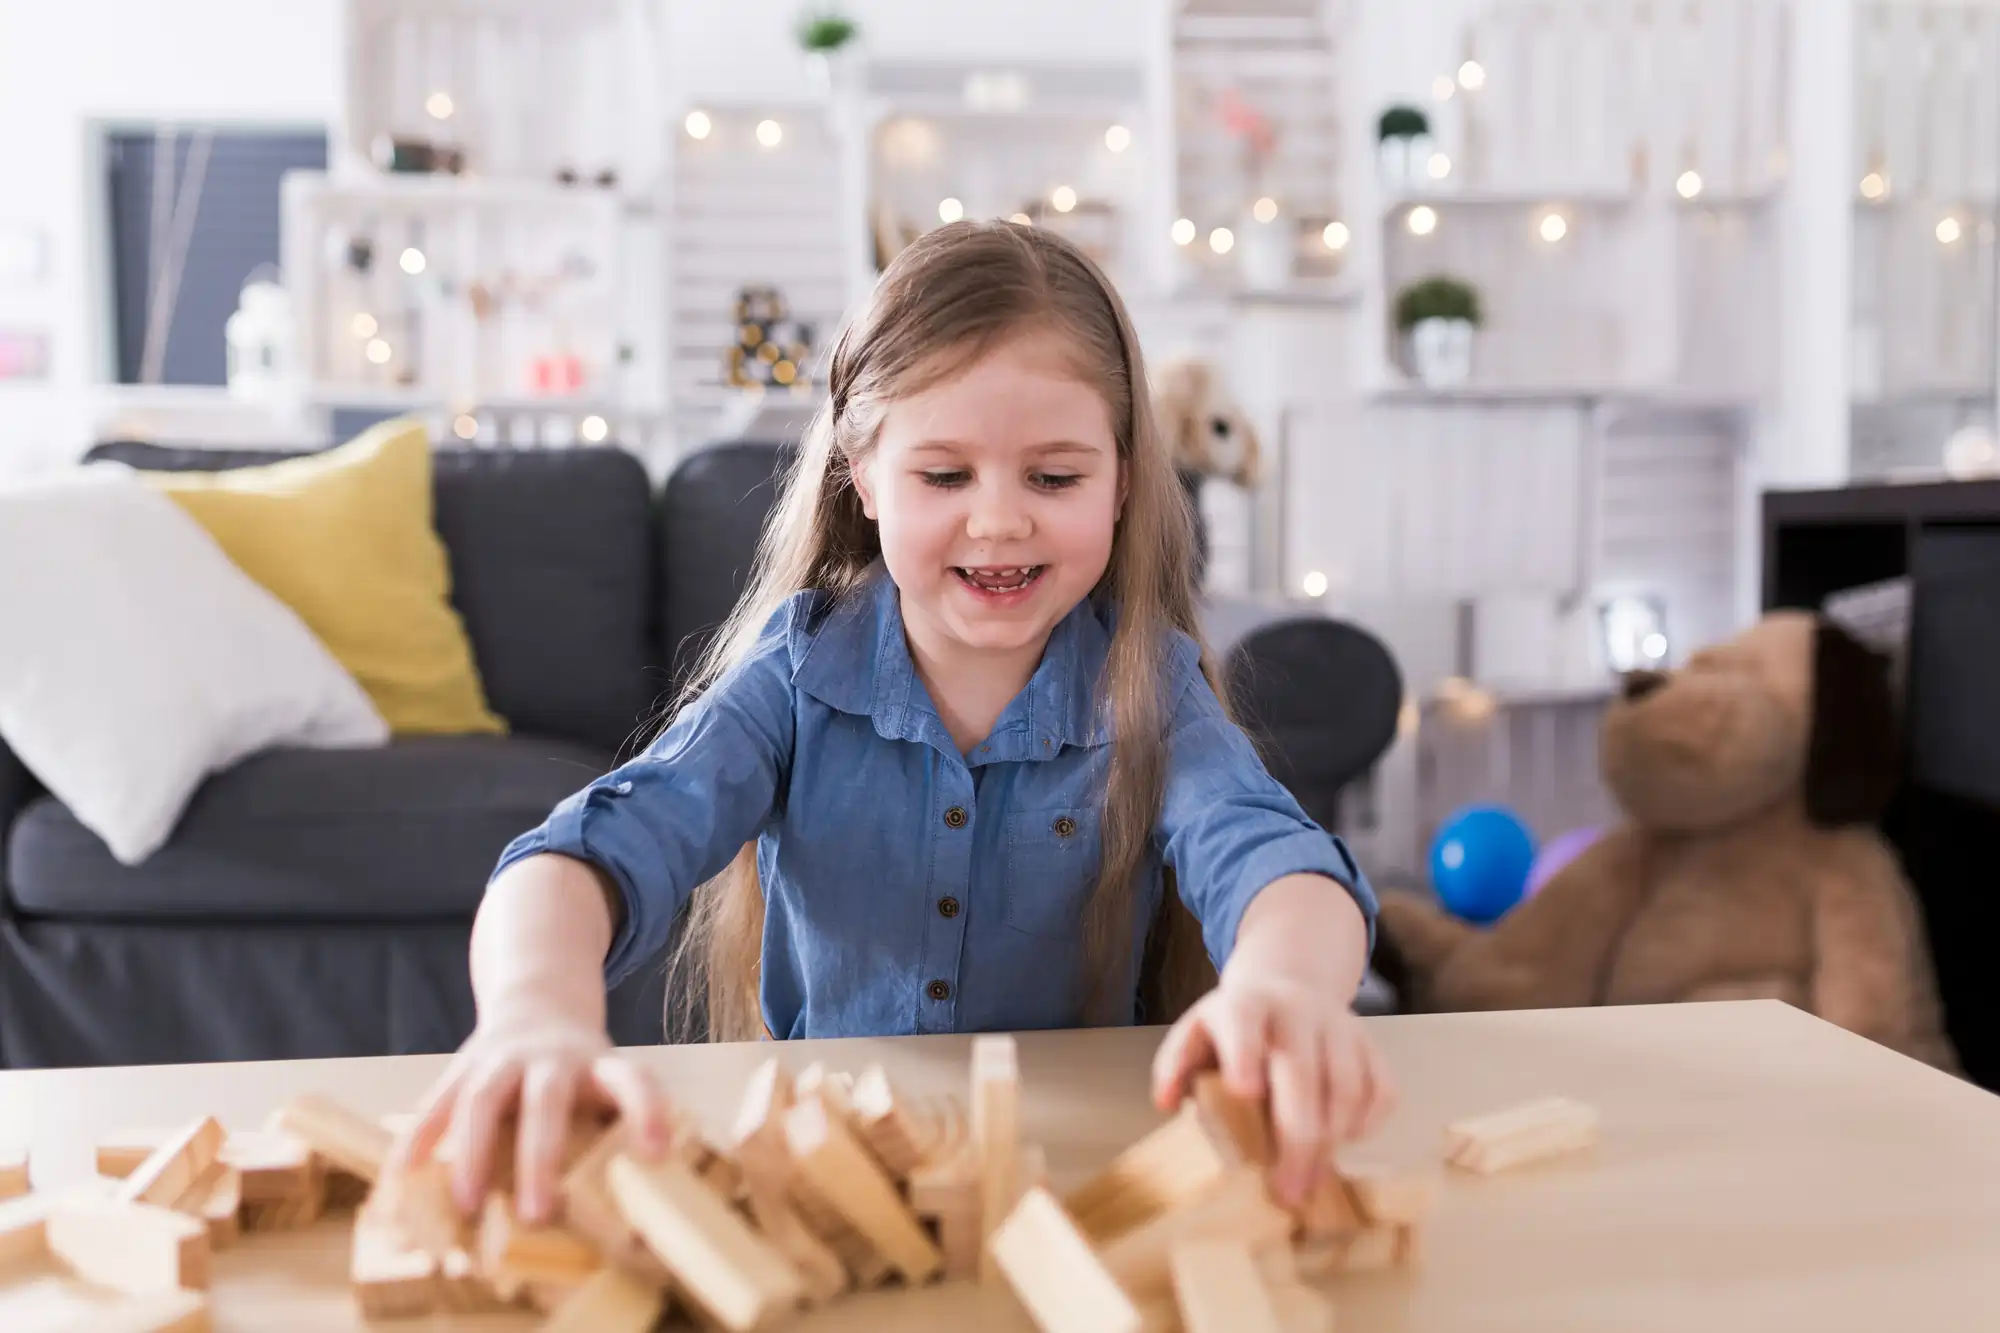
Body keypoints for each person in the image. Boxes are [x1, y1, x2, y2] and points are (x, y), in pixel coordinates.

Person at [397, 220, 1393, 1228]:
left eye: (1053, 477)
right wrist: (534, 1010)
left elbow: (1276, 862)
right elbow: (588, 851)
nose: (998, 519)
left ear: (1125, 477)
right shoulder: (793, 678)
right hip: (823, 1186)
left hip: (1077, 1185)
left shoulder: (1147, 689)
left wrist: (1283, 985)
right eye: (943, 475)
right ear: (863, 474)